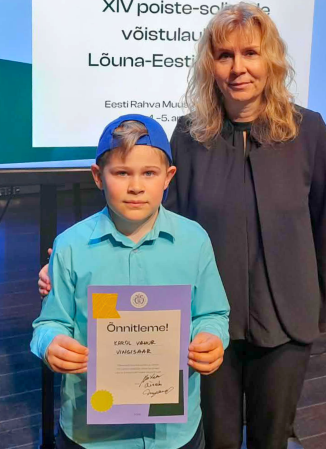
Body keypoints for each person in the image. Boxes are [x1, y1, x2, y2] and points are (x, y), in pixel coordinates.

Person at [40, 3, 326, 449]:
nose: (238, 68)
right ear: (210, 66)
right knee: (216, 438)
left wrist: (317, 309)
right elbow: (154, 221)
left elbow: (325, 226)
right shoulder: (190, 135)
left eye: (251, 53)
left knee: (272, 436)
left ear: (271, 60)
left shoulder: (308, 132)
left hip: (286, 319)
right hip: (201, 326)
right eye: (225, 56)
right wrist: (65, 262)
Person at [31, 114, 230, 449]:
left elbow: (212, 313)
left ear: (168, 177)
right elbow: (50, 322)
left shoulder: (194, 241)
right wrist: (51, 344)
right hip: (92, 435)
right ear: (98, 176)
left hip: (174, 434)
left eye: (149, 173)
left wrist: (212, 338)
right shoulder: (70, 246)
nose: (136, 186)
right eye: (121, 173)